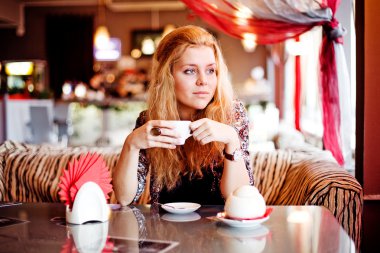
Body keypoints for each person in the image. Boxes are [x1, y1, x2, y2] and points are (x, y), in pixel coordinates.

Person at [113, 25, 253, 206]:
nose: (203, 81)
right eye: (190, 71)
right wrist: (131, 144)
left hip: (220, 230)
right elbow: (124, 198)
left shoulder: (232, 115)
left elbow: (240, 199)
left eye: (211, 70)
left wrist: (232, 140)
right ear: (168, 76)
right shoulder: (150, 121)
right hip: (163, 231)